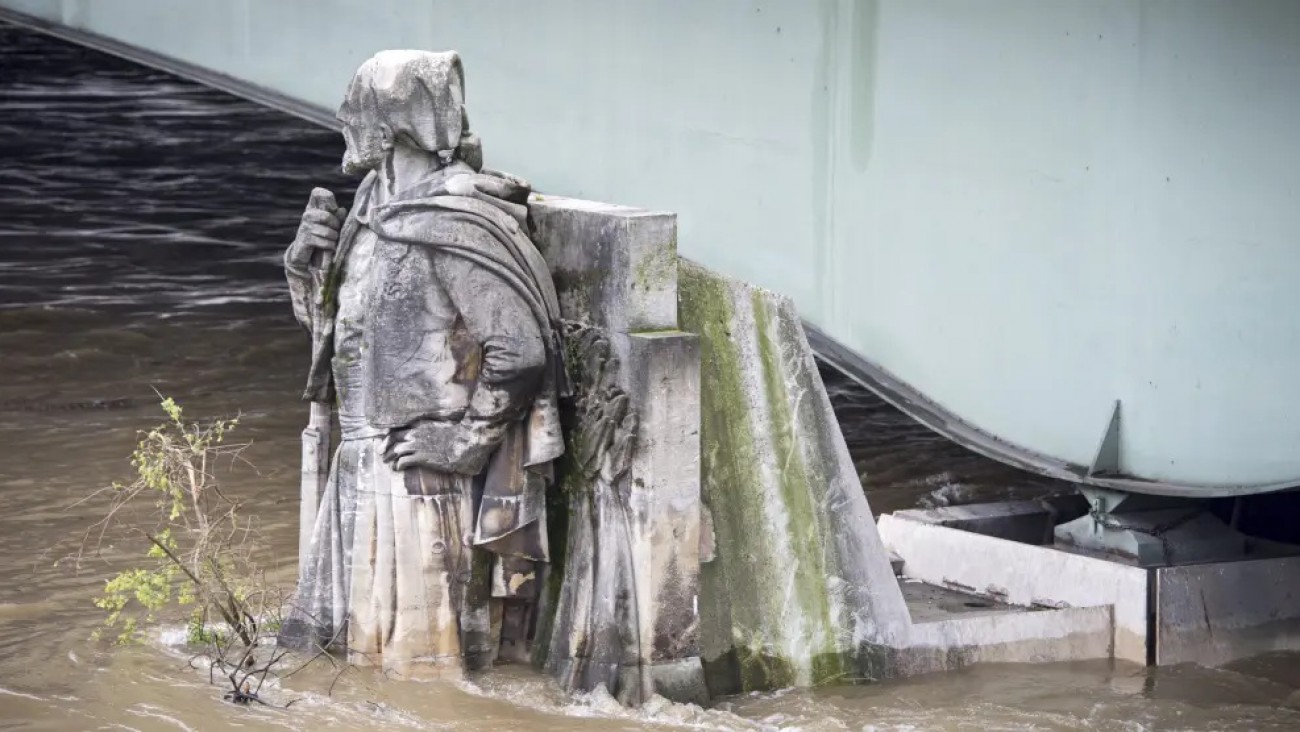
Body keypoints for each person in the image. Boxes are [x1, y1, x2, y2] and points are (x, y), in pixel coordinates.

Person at [278, 50, 565, 678]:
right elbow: (348, 339)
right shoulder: (371, 206)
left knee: (417, 674)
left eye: (358, 108)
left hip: (416, 482)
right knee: (335, 665)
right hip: (360, 463)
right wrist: (308, 265)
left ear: (393, 122)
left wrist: (464, 441)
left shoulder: (455, 220)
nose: (346, 121)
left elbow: (519, 352)